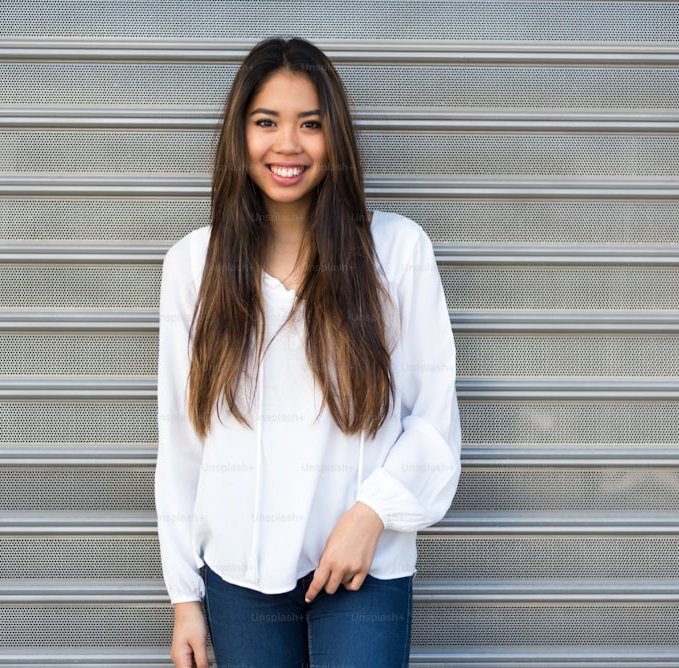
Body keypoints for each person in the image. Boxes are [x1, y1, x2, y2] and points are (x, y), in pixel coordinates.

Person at [155, 37, 461, 668]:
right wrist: (186, 598)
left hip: (364, 567)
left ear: (335, 138)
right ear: (240, 135)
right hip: (240, 574)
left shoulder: (397, 252)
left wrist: (372, 514)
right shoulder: (194, 265)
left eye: (310, 124)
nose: (287, 145)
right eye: (266, 122)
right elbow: (183, 442)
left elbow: (433, 419)